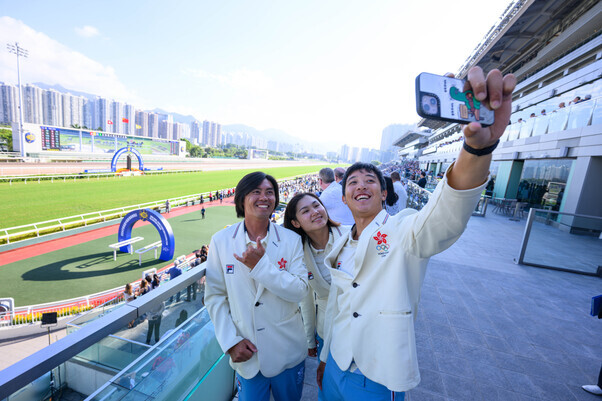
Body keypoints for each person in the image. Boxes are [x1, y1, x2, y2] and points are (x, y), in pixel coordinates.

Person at [316, 67, 516, 400]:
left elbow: (443, 220)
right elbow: (338, 308)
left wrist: (476, 151)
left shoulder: (401, 228)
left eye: (370, 181)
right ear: (345, 197)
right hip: (335, 364)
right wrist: (325, 359)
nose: (361, 185)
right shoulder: (340, 244)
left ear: (384, 194)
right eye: (352, 182)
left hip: (375, 375)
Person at [204, 171, 309, 401]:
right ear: (242, 198)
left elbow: (300, 290)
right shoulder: (221, 241)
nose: (264, 197)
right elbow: (214, 297)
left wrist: (261, 266)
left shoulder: (290, 240)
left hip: (287, 351)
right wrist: (230, 341)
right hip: (247, 353)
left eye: (270, 192)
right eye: (256, 192)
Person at [283, 193, 349, 401]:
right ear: (295, 223)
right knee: (327, 387)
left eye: (316, 205)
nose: (315, 212)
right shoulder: (299, 254)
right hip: (325, 329)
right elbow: (305, 297)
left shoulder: (350, 237)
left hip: (354, 326)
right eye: (305, 211)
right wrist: (310, 339)